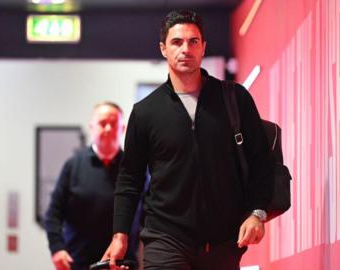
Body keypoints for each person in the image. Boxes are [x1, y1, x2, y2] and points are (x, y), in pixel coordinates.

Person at [102, 10, 274, 270]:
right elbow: (129, 179)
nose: (186, 49)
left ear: (203, 47)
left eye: (193, 41)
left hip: (223, 240)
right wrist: (120, 235)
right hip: (165, 237)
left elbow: (261, 160)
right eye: (177, 42)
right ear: (163, 49)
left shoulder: (234, 99)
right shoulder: (146, 111)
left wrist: (257, 212)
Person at [45, 102, 140, 270]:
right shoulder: (73, 165)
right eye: (103, 123)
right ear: (92, 127)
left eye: (114, 123)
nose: (108, 128)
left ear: (123, 128)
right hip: (79, 262)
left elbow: (148, 213)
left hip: (120, 264)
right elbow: (53, 214)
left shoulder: (134, 168)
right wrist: (57, 248)